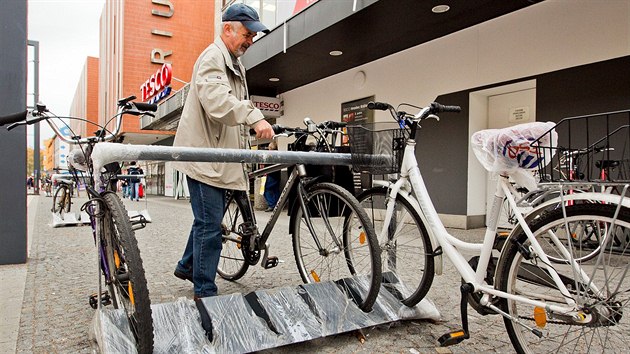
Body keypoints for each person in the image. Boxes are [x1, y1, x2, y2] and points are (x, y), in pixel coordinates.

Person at [172, 3, 274, 300]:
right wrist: (255, 116)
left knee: (208, 218)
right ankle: (205, 293)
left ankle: (186, 265)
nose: (251, 40)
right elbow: (218, 103)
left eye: (253, 35)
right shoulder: (213, 58)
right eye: (247, 33)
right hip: (205, 158)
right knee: (210, 226)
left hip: (221, 157)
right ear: (227, 28)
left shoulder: (232, 61)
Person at [263, 141, 280, 212]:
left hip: (271, 175)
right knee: (275, 190)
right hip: (278, 175)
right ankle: (277, 205)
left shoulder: (269, 155)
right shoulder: (278, 155)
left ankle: (271, 205)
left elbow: (267, 166)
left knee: (266, 189)